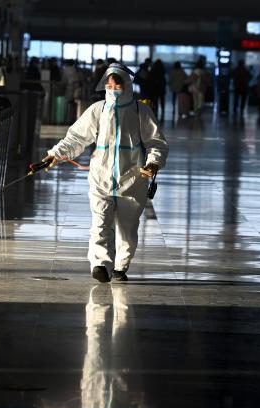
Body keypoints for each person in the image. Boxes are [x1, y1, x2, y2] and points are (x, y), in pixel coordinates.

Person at [41, 63, 169, 283]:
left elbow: (156, 142)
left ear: (127, 84)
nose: (113, 88)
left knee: (127, 230)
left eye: (117, 84)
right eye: (110, 84)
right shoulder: (98, 110)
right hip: (101, 177)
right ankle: (100, 264)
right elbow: (76, 138)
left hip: (133, 180)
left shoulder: (141, 111)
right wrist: (55, 154)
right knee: (100, 224)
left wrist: (153, 164)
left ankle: (120, 266)